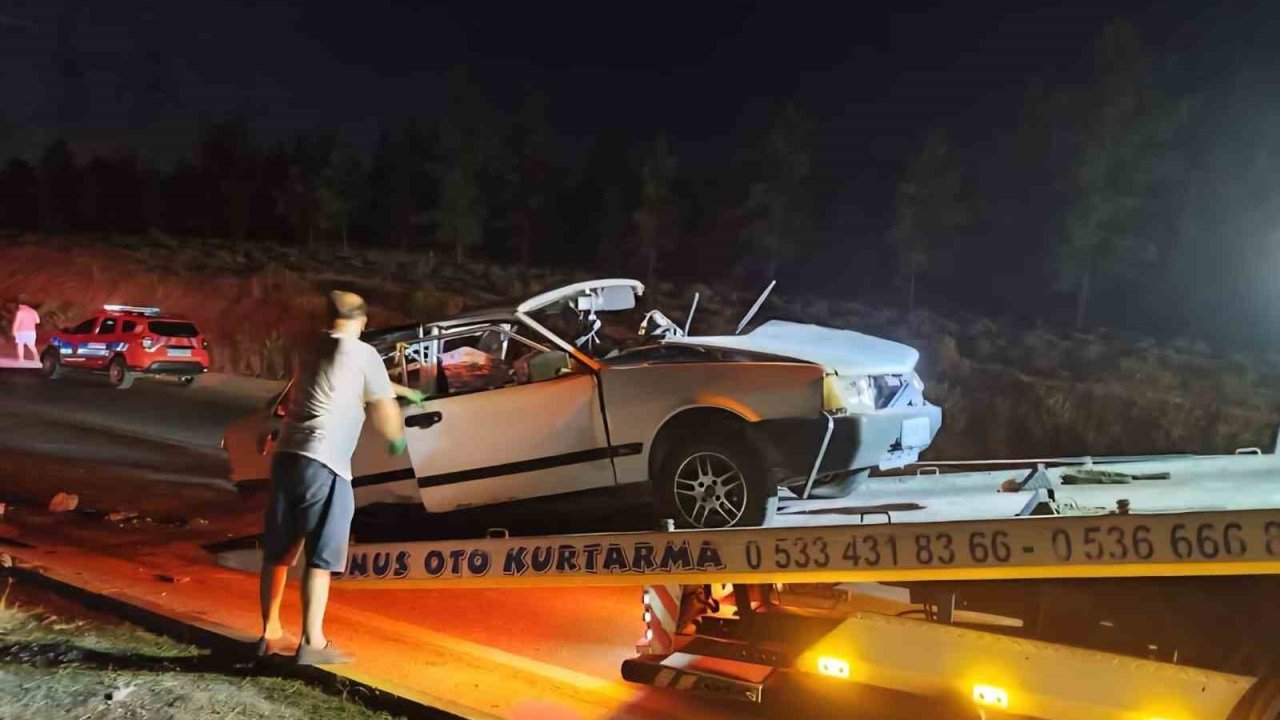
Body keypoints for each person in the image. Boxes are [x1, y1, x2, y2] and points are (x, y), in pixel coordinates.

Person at [258, 290, 425, 665]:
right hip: (326, 462)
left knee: (279, 552)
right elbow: (382, 407)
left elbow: (353, 381)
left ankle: (269, 634)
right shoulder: (363, 354)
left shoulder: (312, 347)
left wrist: (406, 390)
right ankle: (312, 644)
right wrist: (397, 438)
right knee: (321, 554)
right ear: (362, 320)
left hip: (288, 458)